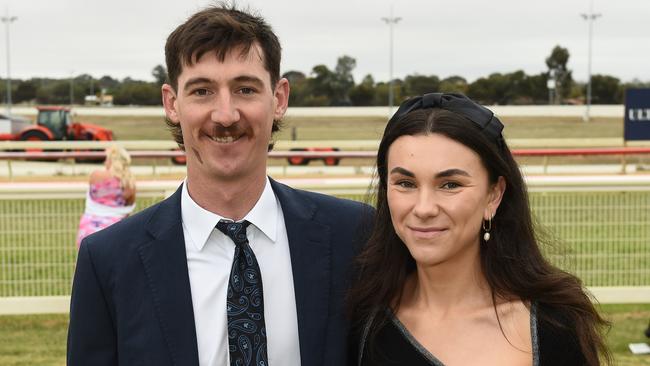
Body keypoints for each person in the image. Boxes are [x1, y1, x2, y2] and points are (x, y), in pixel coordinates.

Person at [67, 4, 371, 366]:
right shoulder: (108, 260)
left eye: (245, 89)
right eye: (202, 91)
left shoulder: (353, 235)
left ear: (279, 99)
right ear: (171, 103)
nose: (225, 115)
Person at [347, 92, 611, 365]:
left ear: (494, 195)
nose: (424, 208)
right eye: (405, 183)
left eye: (450, 184)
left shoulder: (552, 325)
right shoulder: (362, 319)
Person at [75, 145, 136, 248]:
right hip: (115, 229)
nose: (105, 162)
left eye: (107, 159)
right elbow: (129, 206)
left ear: (112, 161)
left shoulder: (96, 175)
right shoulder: (129, 182)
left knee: (86, 262)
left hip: (89, 229)